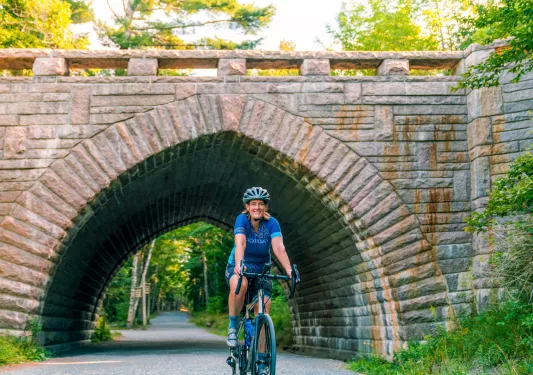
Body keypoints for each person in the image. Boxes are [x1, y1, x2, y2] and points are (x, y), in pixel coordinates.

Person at [225, 187, 294, 348]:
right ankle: (233, 327)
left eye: (261, 204)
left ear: (265, 207)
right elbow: (240, 242)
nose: (257, 207)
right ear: (247, 207)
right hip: (239, 266)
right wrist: (239, 264)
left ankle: (261, 359)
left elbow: (279, 248)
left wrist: (289, 270)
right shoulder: (242, 220)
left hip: (261, 270)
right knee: (239, 284)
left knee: (263, 309)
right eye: (253, 204)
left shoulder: (272, 223)